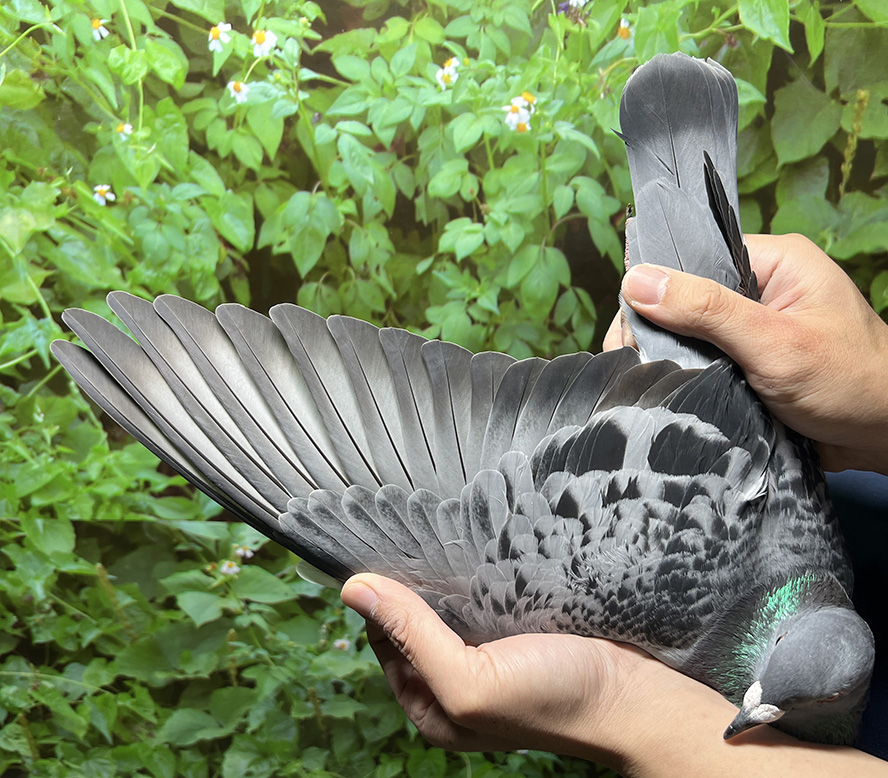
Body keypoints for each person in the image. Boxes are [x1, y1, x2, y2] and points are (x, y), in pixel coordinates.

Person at [339, 234, 888, 777]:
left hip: (759, 422)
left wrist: (615, 703)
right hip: (742, 399)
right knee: (489, 592)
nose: (753, 703)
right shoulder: (683, 596)